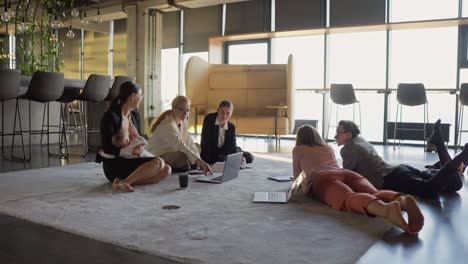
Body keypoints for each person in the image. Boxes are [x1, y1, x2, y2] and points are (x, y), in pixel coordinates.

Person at [293, 125, 424, 234]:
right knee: (374, 193)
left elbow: (297, 177)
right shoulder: (328, 147)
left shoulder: (298, 149)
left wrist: (304, 187)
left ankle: (386, 209)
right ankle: (401, 200)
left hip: (322, 178)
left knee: (348, 198)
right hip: (344, 172)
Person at [336, 120, 465, 199]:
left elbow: (347, 176)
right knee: (455, 184)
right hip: (398, 169)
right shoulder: (361, 140)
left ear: (348, 135)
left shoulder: (348, 149)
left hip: (390, 177)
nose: (335, 136)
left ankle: (464, 155)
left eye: (338, 133)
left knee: (429, 190)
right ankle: (439, 143)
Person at [96, 81, 171, 192]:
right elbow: (106, 147)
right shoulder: (110, 116)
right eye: (140, 95)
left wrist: (139, 148)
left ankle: (122, 182)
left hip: (132, 160)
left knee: (166, 170)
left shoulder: (135, 116)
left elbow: (136, 140)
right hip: (114, 164)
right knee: (159, 162)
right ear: (132, 96)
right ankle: (126, 182)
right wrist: (130, 152)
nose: (141, 98)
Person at [147, 95, 212, 175]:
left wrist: (200, 162)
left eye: (188, 110)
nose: (185, 113)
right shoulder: (167, 125)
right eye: (182, 110)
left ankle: (186, 165)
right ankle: (183, 165)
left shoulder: (183, 121)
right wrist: (200, 162)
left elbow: (189, 142)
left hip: (173, 151)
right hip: (157, 156)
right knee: (183, 154)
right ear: (173, 108)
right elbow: (181, 145)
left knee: (196, 147)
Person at [200, 100, 254, 164]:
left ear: (231, 114)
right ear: (218, 110)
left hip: (224, 152)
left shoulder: (231, 127)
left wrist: (238, 158)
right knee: (212, 159)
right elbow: (205, 143)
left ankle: (239, 151)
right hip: (211, 150)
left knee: (249, 158)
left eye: (228, 113)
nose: (224, 116)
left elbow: (231, 148)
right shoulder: (209, 119)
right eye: (222, 112)